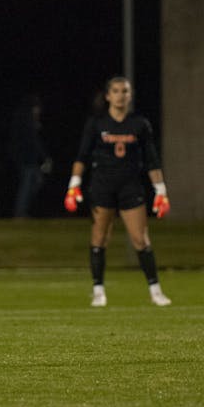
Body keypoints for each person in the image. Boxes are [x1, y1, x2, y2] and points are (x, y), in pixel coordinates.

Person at [63, 76, 172, 307]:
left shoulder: (139, 124)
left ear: (130, 95)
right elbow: (82, 156)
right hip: (102, 187)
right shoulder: (97, 123)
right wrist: (73, 185)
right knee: (99, 239)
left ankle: (155, 291)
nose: (120, 95)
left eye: (125, 91)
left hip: (130, 187)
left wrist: (161, 191)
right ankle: (98, 291)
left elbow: (152, 159)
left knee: (140, 239)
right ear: (108, 96)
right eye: (116, 91)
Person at [9, 94, 52, 218]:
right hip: (26, 159)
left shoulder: (28, 120)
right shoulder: (26, 120)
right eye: (37, 108)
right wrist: (45, 157)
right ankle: (20, 212)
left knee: (35, 182)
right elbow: (33, 142)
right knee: (26, 185)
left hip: (29, 159)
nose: (38, 111)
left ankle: (23, 210)